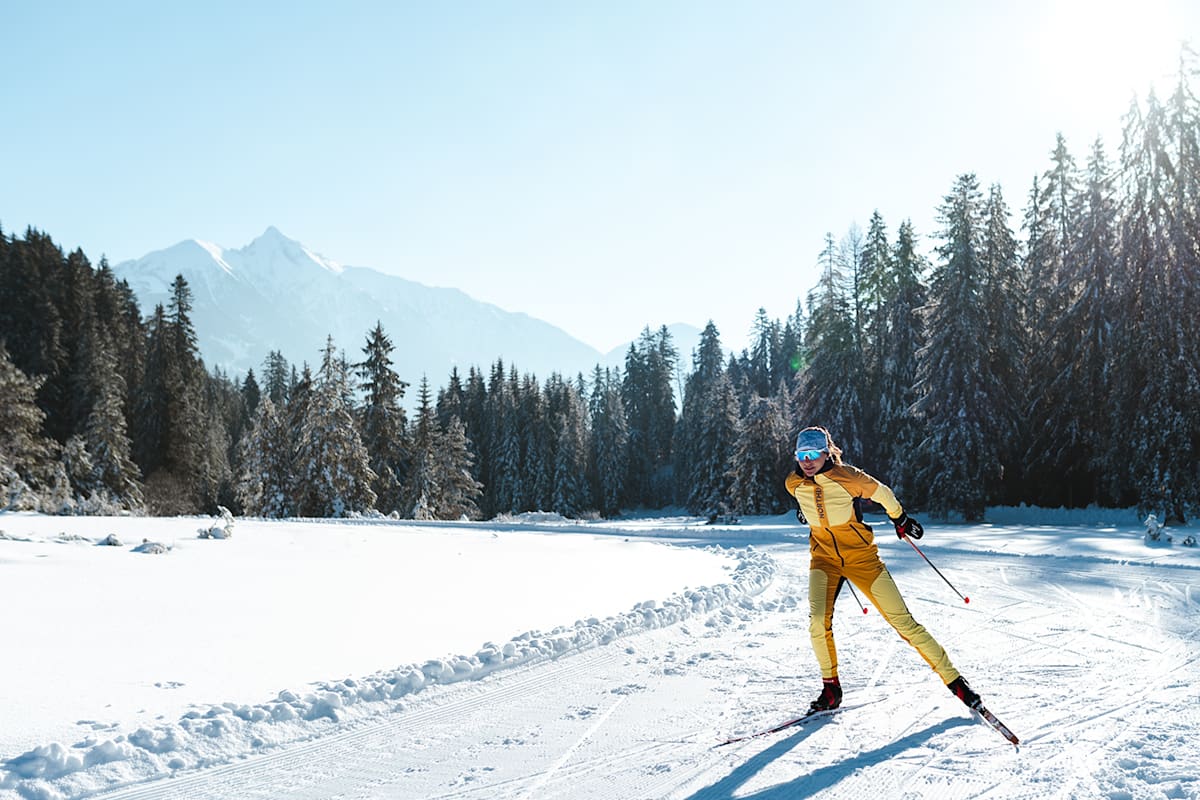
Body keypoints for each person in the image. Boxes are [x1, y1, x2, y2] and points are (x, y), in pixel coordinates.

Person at [784, 425, 981, 715]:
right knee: (817, 622)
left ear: (826, 454)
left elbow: (883, 493)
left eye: (813, 453)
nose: (807, 460)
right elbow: (808, 503)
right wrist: (807, 511)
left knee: (904, 623)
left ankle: (955, 681)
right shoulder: (794, 483)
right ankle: (831, 690)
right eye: (801, 455)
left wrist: (900, 518)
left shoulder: (848, 477)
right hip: (823, 559)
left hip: (863, 560)